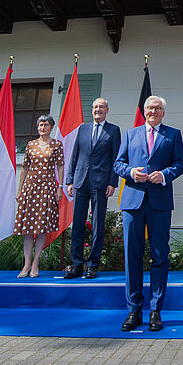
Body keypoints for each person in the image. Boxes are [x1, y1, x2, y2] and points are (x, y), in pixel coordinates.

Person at [114, 95, 183, 332]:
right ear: (144, 111)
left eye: (157, 108)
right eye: (149, 108)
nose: (153, 111)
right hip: (133, 201)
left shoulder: (173, 135)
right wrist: (131, 172)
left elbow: (180, 164)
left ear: (163, 112)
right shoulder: (130, 134)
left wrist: (164, 175)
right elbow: (118, 164)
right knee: (132, 256)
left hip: (160, 202)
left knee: (159, 256)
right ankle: (133, 310)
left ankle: (156, 310)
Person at [63, 97, 120, 279]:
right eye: (95, 107)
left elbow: (116, 158)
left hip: (101, 183)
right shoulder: (83, 129)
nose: (98, 110)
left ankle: (93, 265)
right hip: (80, 181)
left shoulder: (113, 130)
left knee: (97, 225)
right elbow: (75, 155)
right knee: (78, 224)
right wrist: (70, 180)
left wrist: (112, 182)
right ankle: (76, 264)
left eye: (101, 107)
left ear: (107, 110)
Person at [14, 114, 65, 277]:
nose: (43, 128)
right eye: (40, 125)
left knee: (42, 227)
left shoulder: (57, 144)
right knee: (27, 228)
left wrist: (60, 187)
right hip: (31, 187)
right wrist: (20, 189)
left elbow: (60, 166)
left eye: (46, 125)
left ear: (51, 127)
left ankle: (36, 263)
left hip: (47, 187)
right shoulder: (31, 144)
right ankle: (26, 264)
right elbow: (24, 167)